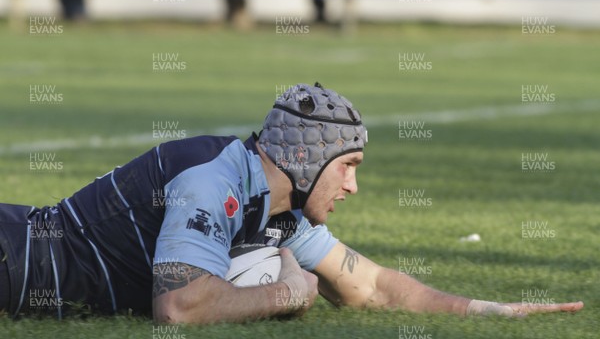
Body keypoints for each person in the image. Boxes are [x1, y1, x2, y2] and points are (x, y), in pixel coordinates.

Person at [0, 83, 583, 323]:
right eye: (348, 167)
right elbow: (178, 308)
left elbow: (372, 286)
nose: (353, 186)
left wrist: (488, 310)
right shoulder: (214, 182)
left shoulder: (278, 209)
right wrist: (287, 291)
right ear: (307, 158)